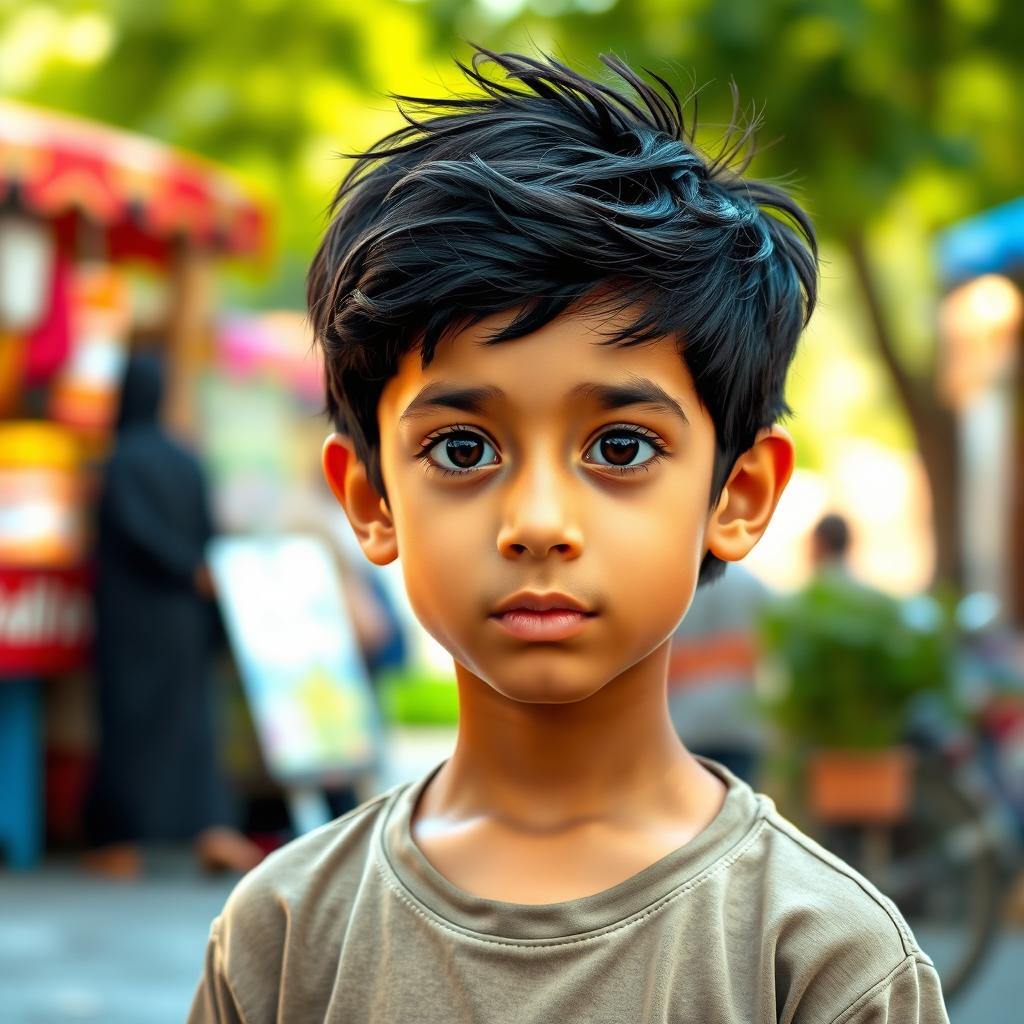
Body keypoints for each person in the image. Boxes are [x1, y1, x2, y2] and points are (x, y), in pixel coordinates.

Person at [189, 49, 948, 1022]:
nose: (538, 522)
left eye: (620, 446)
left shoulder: (818, 957)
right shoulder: (285, 933)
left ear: (739, 491)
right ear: (370, 498)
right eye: (462, 448)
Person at [83, 352, 263, 878]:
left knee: (129, 725)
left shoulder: (120, 460)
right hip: (185, 616)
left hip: (131, 619)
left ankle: (122, 841)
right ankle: (211, 830)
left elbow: (134, 531)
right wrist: (197, 574)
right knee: (191, 723)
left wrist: (182, 568)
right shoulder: (185, 459)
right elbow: (209, 531)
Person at [667, 562, 772, 786]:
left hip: (683, 724)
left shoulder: (675, 584)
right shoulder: (752, 583)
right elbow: (763, 649)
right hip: (740, 722)